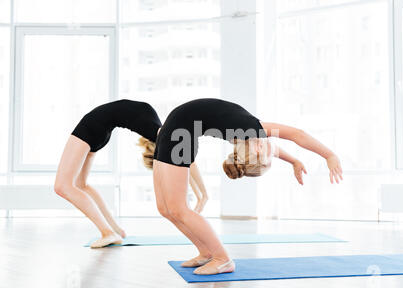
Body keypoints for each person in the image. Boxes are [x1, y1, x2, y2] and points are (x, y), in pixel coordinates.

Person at [151, 98, 343, 275]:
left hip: (179, 134)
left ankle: (222, 259)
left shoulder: (245, 133)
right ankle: (206, 252)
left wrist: (296, 160)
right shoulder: (248, 131)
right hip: (173, 130)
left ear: (259, 148)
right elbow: (296, 135)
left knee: (177, 208)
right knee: (165, 209)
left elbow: (275, 147)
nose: (271, 147)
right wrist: (327, 155)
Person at [54, 99, 208, 249]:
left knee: (62, 186)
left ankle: (108, 232)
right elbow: (185, 159)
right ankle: (115, 231)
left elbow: (183, 159)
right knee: (80, 185)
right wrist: (201, 194)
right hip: (98, 130)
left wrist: (201, 194)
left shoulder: (156, 129)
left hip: (94, 128)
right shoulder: (157, 131)